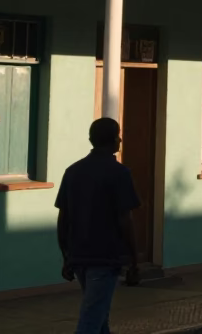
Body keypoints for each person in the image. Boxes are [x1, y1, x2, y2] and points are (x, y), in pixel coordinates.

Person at [55, 117, 141, 334]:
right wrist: (134, 259)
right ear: (113, 140)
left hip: (79, 256)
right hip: (104, 258)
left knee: (99, 314)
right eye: (118, 135)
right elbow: (125, 220)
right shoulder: (120, 173)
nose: (120, 140)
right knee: (92, 318)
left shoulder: (72, 172)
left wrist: (66, 256)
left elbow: (63, 218)